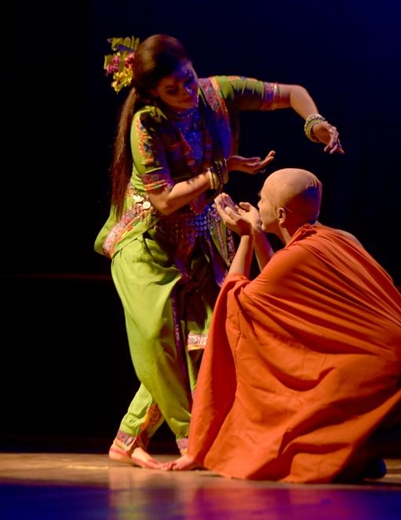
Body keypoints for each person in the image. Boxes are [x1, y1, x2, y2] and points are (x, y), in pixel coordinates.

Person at [94, 34, 344, 470]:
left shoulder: (218, 91)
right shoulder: (146, 125)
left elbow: (292, 93)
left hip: (198, 235)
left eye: (188, 78)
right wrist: (219, 172)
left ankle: (129, 438)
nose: (187, 92)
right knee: (159, 337)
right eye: (173, 89)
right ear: (153, 94)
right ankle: (193, 439)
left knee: (209, 338)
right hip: (146, 239)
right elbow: (165, 200)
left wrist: (315, 123)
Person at [165, 168, 401, 487]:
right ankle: (367, 453)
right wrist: (257, 233)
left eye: (262, 199)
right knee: (334, 446)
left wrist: (246, 236)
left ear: (280, 214)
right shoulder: (343, 239)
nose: (257, 203)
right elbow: (277, 282)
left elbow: (236, 301)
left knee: (300, 456)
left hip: (388, 371)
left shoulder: (297, 256)